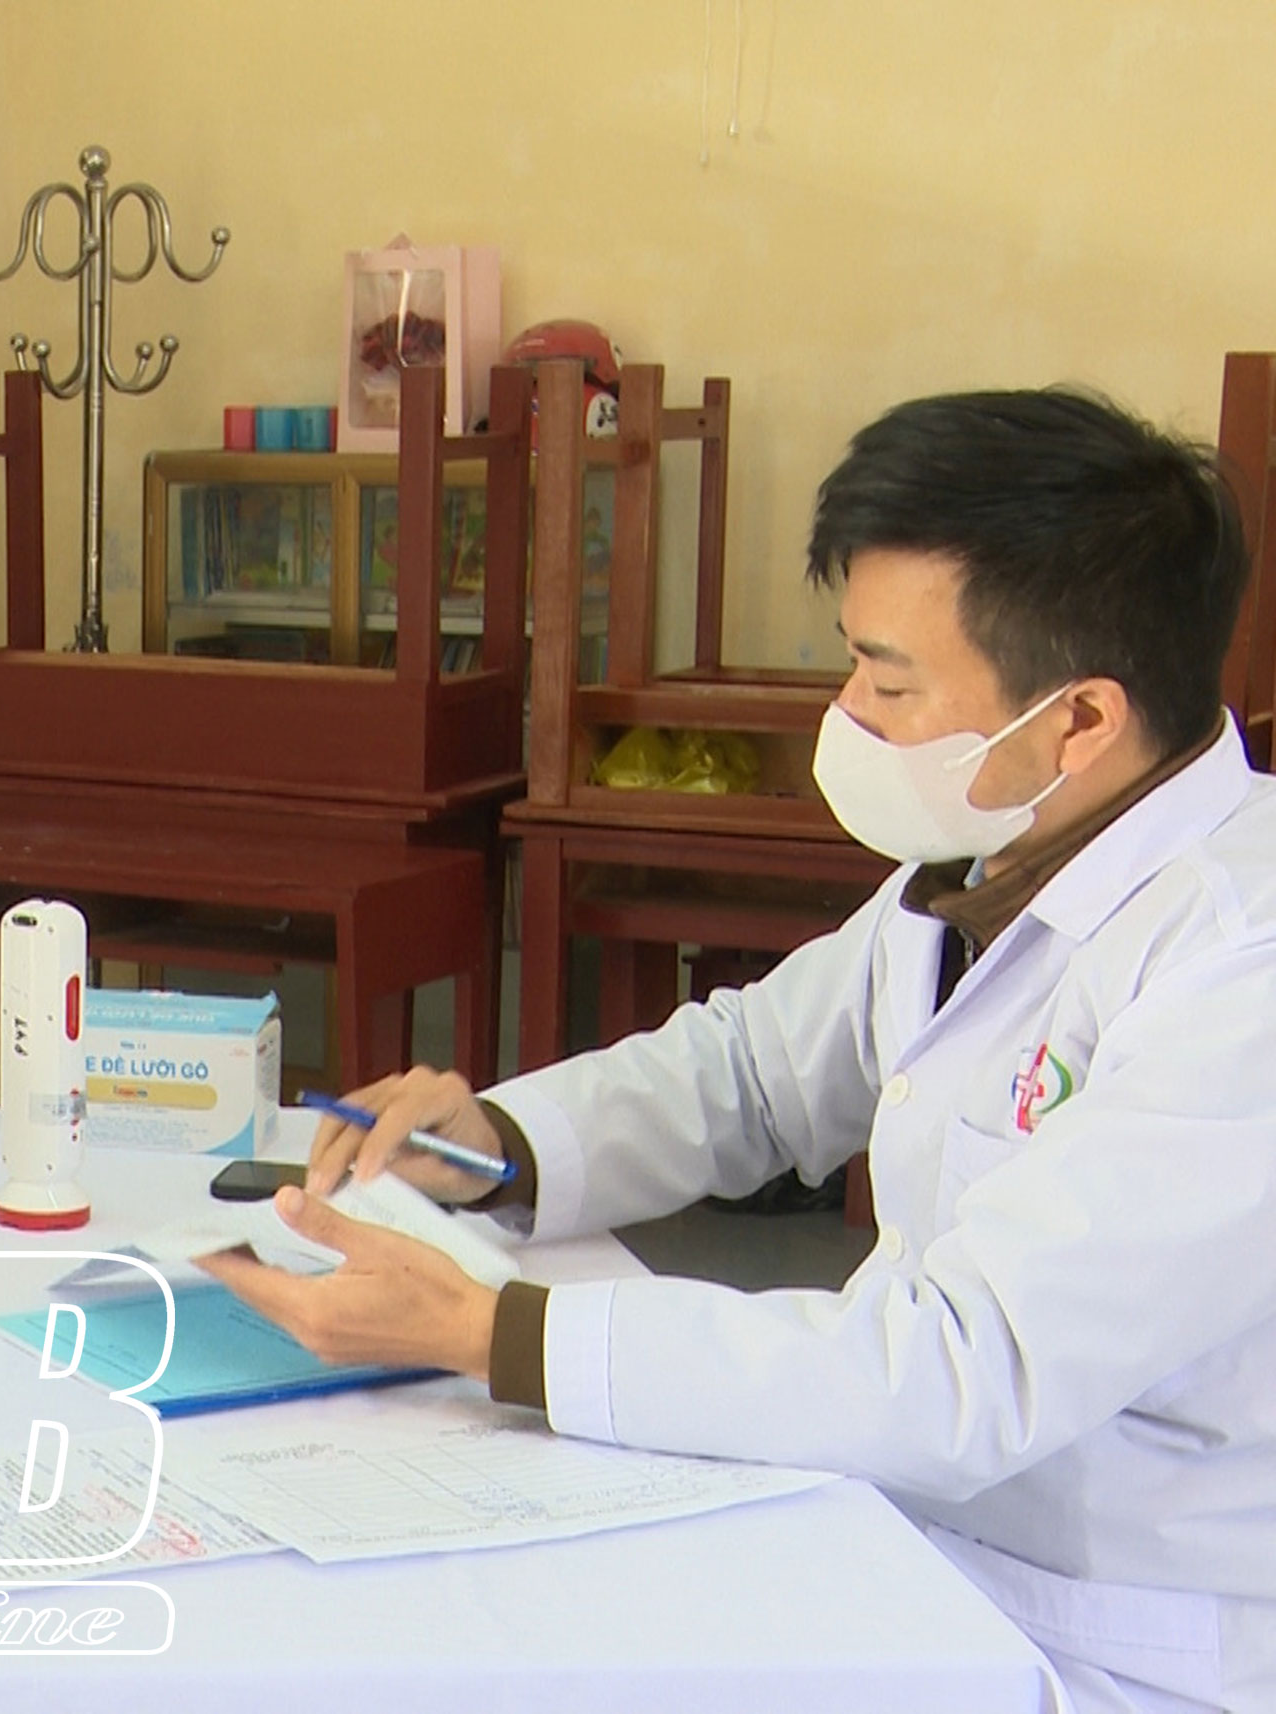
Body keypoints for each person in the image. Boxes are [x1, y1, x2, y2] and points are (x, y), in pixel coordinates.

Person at [198, 389, 1276, 1714]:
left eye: (890, 682)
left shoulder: (1241, 964)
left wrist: (495, 1332)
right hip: (905, 1534)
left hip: (1118, 1639)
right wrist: (497, 1143)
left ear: (1080, 720)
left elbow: (962, 1367)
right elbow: (752, 1071)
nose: (850, 711)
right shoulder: (997, 857)